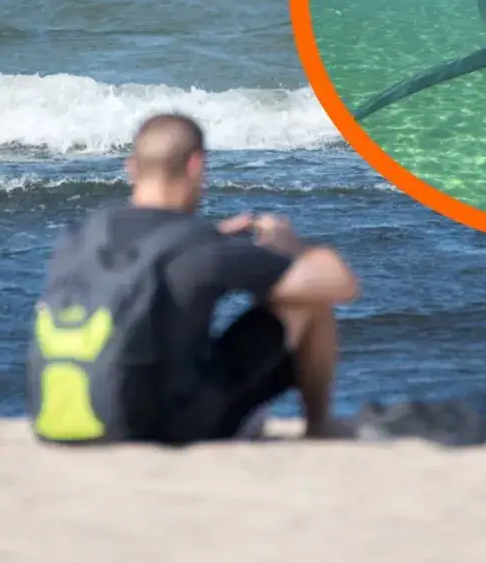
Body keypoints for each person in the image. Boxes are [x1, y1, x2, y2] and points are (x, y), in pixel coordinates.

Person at [26, 112, 360, 445]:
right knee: (306, 301)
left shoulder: (79, 236)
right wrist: (290, 246)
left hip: (60, 420)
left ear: (132, 167)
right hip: (162, 429)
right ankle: (319, 427)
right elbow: (340, 283)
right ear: (195, 166)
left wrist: (216, 241)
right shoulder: (197, 244)